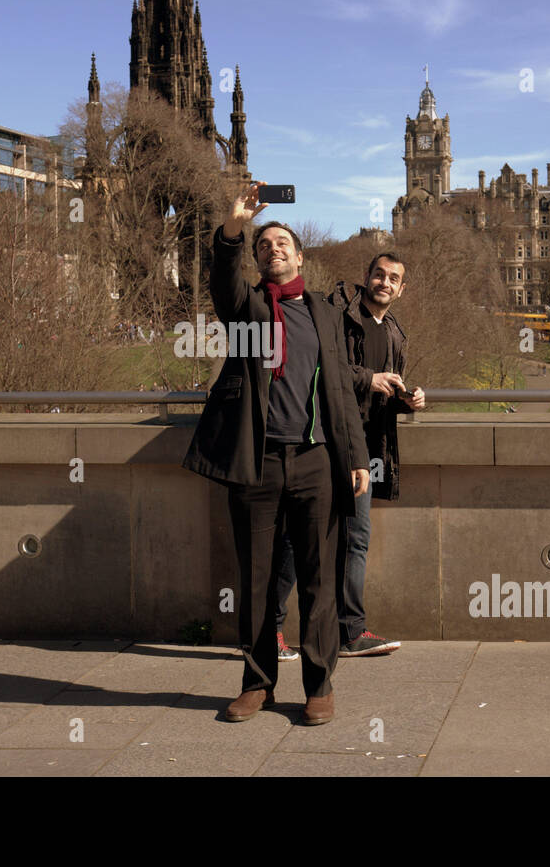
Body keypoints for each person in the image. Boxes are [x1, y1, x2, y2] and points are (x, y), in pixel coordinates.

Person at [182, 182, 369, 725]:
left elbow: (337, 391)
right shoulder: (248, 308)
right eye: (265, 246)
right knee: (258, 579)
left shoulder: (327, 315)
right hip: (256, 461)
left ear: (300, 255)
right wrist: (237, 225)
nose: (274, 249)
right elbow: (222, 280)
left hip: (316, 461)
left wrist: (356, 456)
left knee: (318, 578)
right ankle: (257, 683)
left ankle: (319, 685)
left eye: (282, 242)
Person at [274, 253, 426, 659]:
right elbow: (321, 369)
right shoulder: (339, 314)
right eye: (379, 274)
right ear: (367, 277)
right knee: (298, 537)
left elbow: (381, 394)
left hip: (365, 449)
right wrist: (368, 378)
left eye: (394, 278)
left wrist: (408, 399)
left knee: (356, 539)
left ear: (401, 289)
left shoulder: (393, 330)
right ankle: (267, 630)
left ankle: (350, 632)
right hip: (325, 442)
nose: (385, 282)